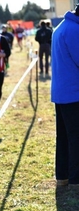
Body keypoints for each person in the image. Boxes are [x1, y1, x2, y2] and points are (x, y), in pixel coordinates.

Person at [50, 4, 79, 187]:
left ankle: (63, 176)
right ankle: (76, 179)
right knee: (76, 137)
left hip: (61, 92)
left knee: (63, 136)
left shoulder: (61, 27)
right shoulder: (75, 30)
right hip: (74, 93)